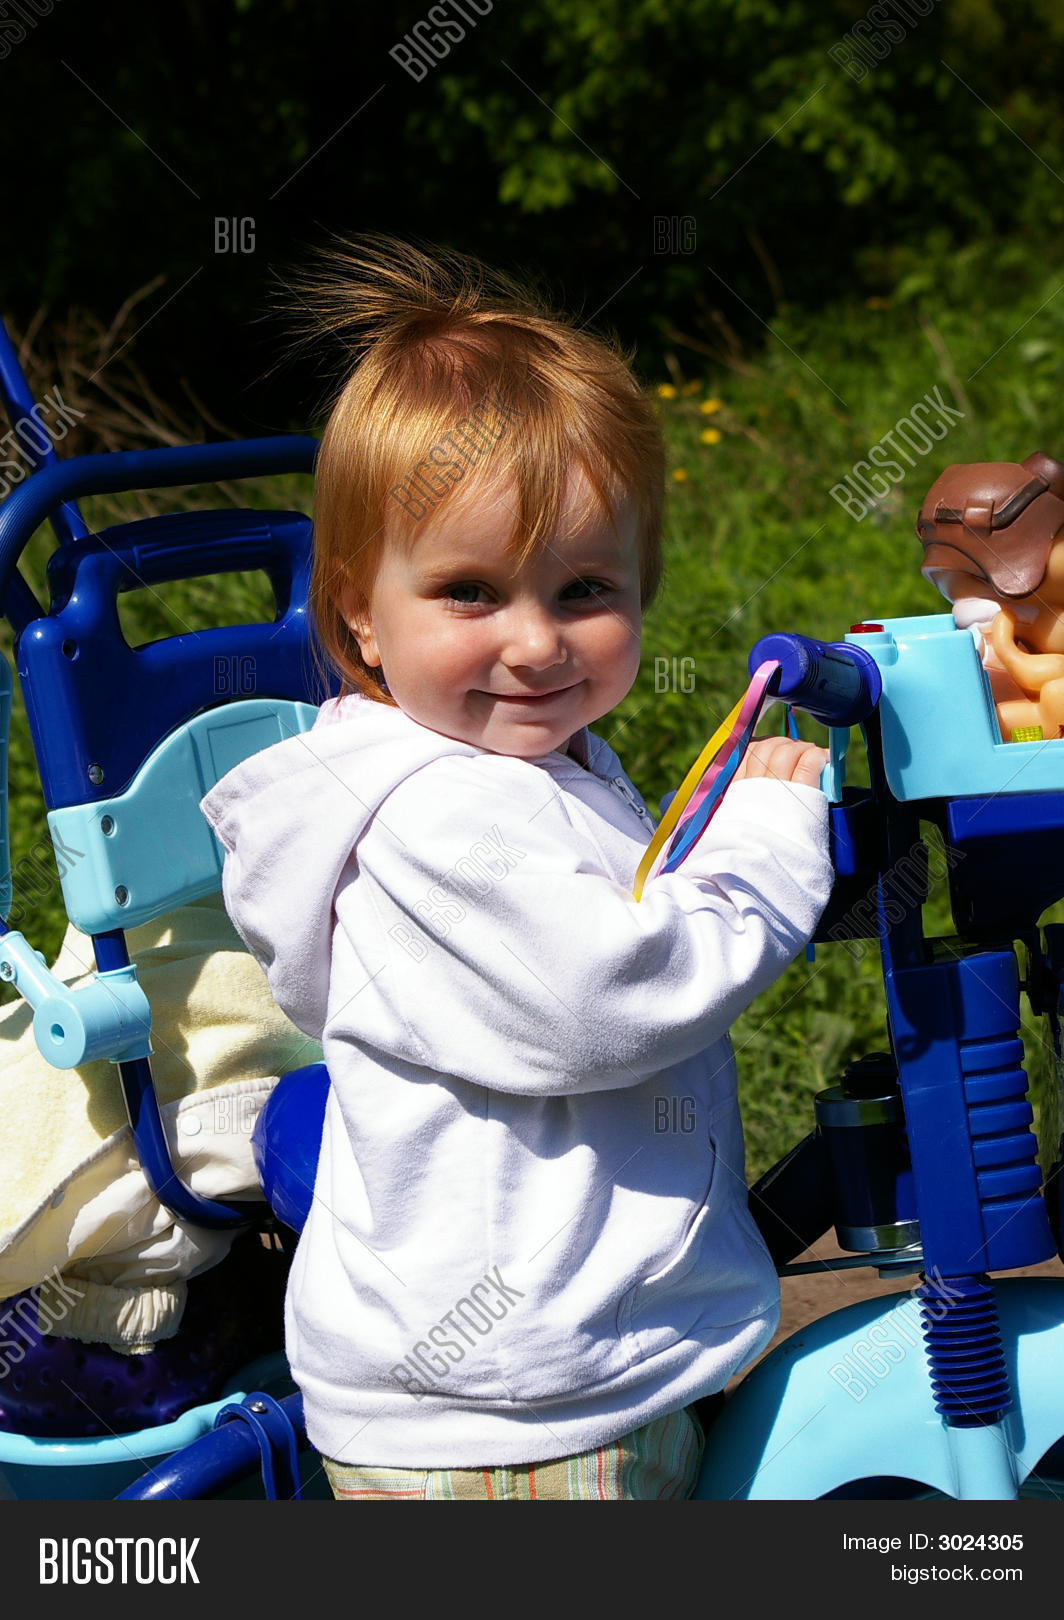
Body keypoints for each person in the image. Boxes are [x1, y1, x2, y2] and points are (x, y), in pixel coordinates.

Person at [200, 235, 833, 1500]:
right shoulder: (433, 815)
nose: (536, 641)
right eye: (471, 590)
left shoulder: (543, 769)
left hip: (562, 1371)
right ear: (359, 617)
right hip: (510, 1416)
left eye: (584, 586)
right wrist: (764, 854)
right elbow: (609, 996)